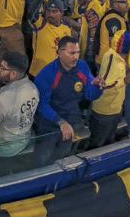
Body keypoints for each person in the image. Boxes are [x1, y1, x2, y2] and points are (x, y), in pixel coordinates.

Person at [33, 37, 104, 165]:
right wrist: (60, 122)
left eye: (77, 52)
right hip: (48, 125)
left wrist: (98, 87)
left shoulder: (82, 66)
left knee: (62, 156)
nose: (76, 56)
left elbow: (90, 94)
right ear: (59, 52)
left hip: (71, 120)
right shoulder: (46, 74)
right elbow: (42, 104)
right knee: (42, 160)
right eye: (72, 53)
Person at [0, 51, 38, 161]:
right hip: (24, 140)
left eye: (2, 68)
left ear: (14, 74)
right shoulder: (33, 88)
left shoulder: (0, 99)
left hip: (1, 149)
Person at [88, 31, 130, 149]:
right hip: (104, 111)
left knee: (108, 141)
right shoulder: (112, 57)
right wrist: (118, 83)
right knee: (97, 145)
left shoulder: (121, 59)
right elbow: (104, 84)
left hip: (115, 109)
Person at [28, 0, 72, 77]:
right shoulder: (41, 24)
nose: (51, 14)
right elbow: (31, 13)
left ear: (62, 13)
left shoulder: (67, 30)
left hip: (57, 75)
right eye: (48, 11)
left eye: (55, 11)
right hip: (39, 74)